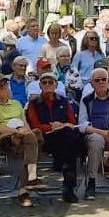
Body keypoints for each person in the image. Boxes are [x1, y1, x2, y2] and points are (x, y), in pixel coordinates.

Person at [0, 73, 45, 207]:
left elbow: (26, 126)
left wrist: (23, 133)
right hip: (0, 139)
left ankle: (24, 190)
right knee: (31, 142)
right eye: (1, 85)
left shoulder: (16, 104)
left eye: (6, 84)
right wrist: (17, 132)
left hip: (21, 138)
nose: (5, 88)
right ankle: (29, 181)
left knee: (32, 137)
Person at [27, 73, 86, 202]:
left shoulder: (63, 101)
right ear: (40, 85)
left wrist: (62, 125)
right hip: (45, 138)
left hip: (64, 137)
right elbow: (34, 124)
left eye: (50, 82)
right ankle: (68, 184)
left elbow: (72, 121)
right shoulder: (33, 103)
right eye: (44, 82)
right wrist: (51, 127)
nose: (48, 85)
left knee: (70, 135)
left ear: (56, 84)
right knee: (69, 143)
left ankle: (62, 169)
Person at [78, 67, 109, 198]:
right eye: (97, 80)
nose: (101, 82)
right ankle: (92, 183)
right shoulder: (86, 100)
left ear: (108, 81)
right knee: (96, 140)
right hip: (95, 134)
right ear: (92, 83)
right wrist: (103, 133)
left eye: (103, 79)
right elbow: (82, 125)